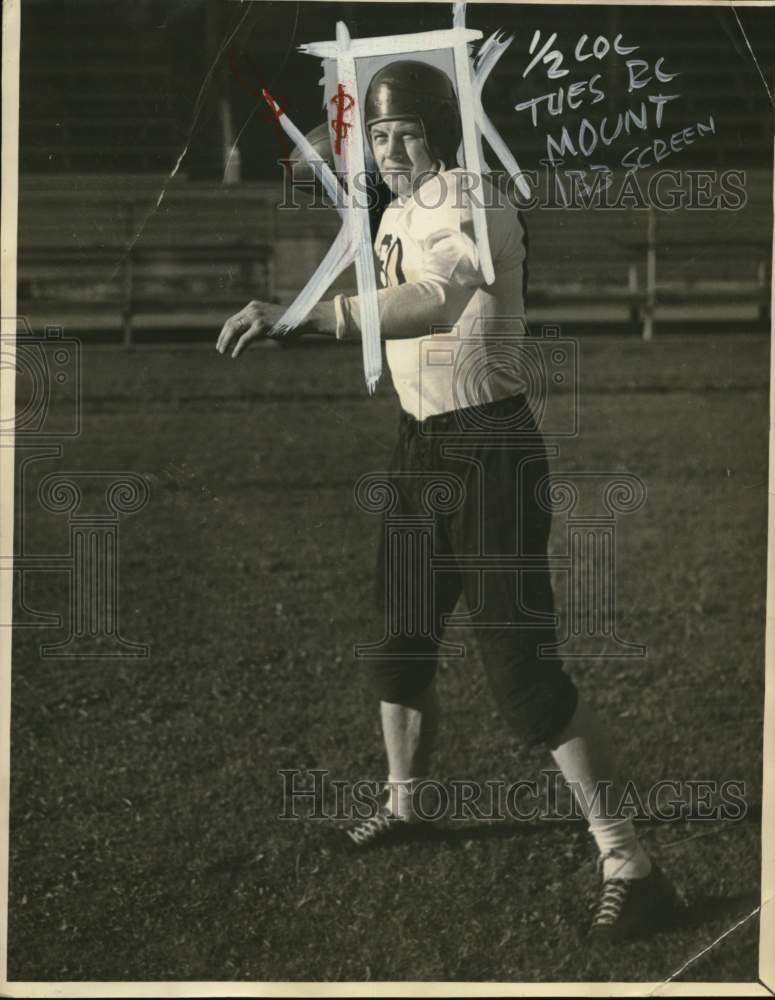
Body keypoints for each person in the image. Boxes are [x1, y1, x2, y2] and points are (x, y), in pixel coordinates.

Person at [216, 59, 680, 941]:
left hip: (489, 451)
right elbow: (383, 275)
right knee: (398, 642)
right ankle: (407, 805)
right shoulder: (398, 205)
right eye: (378, 137)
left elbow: (436, 300)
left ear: (439, 135)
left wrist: (304, 316)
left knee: (521, 674)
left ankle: (630, 861)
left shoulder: (470, 193)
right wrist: (303, 300)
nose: (391, 153)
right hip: (419, 445)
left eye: (406, 136)